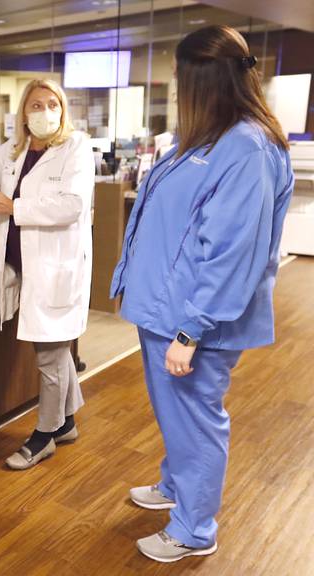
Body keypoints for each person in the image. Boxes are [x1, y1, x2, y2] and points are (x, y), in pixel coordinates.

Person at [110, 25, 294, 563]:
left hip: (195, 321)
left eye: (178, 75)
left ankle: (193, 528)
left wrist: (191, 331)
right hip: (166, 310)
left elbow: (232, 253)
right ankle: (176, 486)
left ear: (203, 81)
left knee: (196, 420)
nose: (173, 83)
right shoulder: (203, 136)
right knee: (178, 418)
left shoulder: (247, 148)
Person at [0, 79, 94, 470]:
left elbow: (71, 205)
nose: (45, 111)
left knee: (49, 354)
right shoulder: (16, 149)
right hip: (24, 265)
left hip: (56, 267)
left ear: (63, 109)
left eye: (52, 104)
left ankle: (44, 434)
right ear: (24, 112)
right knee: (53, 347)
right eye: (36, 105)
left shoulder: (76, 147)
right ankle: (67, 421)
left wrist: (12, 205)